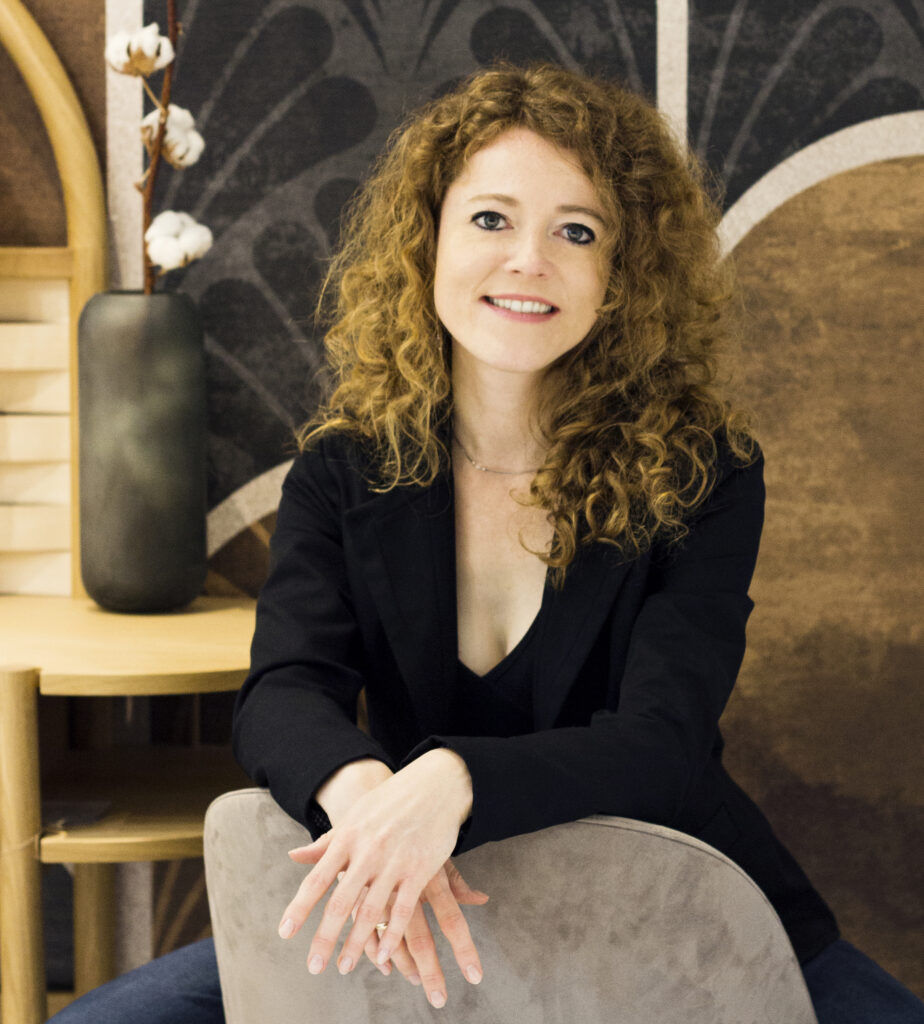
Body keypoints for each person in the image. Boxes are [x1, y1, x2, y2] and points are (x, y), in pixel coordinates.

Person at [50, 63, 923, 1023]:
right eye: (491, 219)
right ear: (429, 241)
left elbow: (662, 744)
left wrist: (453, 780)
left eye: (576, 231)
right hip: (409, 898)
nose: (527, 261)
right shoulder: (343, 472)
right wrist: (368, 797)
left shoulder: (706, 474)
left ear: (624, 276)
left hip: (669, 908)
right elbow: (284, 694)